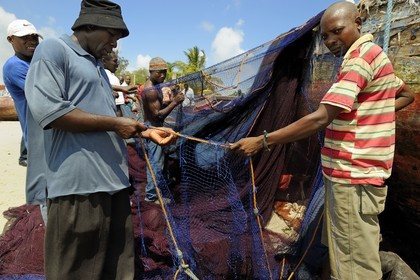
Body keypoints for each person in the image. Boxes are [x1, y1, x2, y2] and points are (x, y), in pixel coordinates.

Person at [231, 2, 414, 279]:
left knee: (354, 269)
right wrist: (368, 114)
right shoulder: (376, 57)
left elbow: (320, 118)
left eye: (337, 31)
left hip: (353, 179)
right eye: (325, 36)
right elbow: (405, 94)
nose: (330, 41)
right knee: (341, 253)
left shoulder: (359, 58)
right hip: (349, 177)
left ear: (359, 23)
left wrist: (262, 141)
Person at [25, 0, 175, 279]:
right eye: (112, 36)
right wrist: (116, 123)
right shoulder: (53, 50)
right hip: (78, 188)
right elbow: (51, 112)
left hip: (115, 185)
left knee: (118, 268)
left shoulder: (96, 65)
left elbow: (103, 114)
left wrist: (144, 131)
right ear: (90, 26)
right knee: (76, 270)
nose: (115, 46)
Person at [140, 57, 185, 202]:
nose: (163, 76)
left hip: (157, 127)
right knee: (155, 163)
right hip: (152, 128)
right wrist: (175, 102)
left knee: (161, 161)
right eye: (159, 73)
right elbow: (157, 115)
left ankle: (162, 187)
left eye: (165, 73)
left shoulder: (157, 86)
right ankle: (152, 196)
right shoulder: (150, 90)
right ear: (151, 72)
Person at [3, 19, 42, 167]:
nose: (31, 41)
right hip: (37, 138)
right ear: (10, 40)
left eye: (34, 37)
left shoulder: (37, 62)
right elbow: (45, 92)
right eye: (25, 37)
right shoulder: (14, 66)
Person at [102, 51, 138, 116]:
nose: (117, 64)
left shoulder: (100, 74)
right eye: (114, 61)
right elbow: (118, 107)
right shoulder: (112, 78)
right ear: (104, 61)